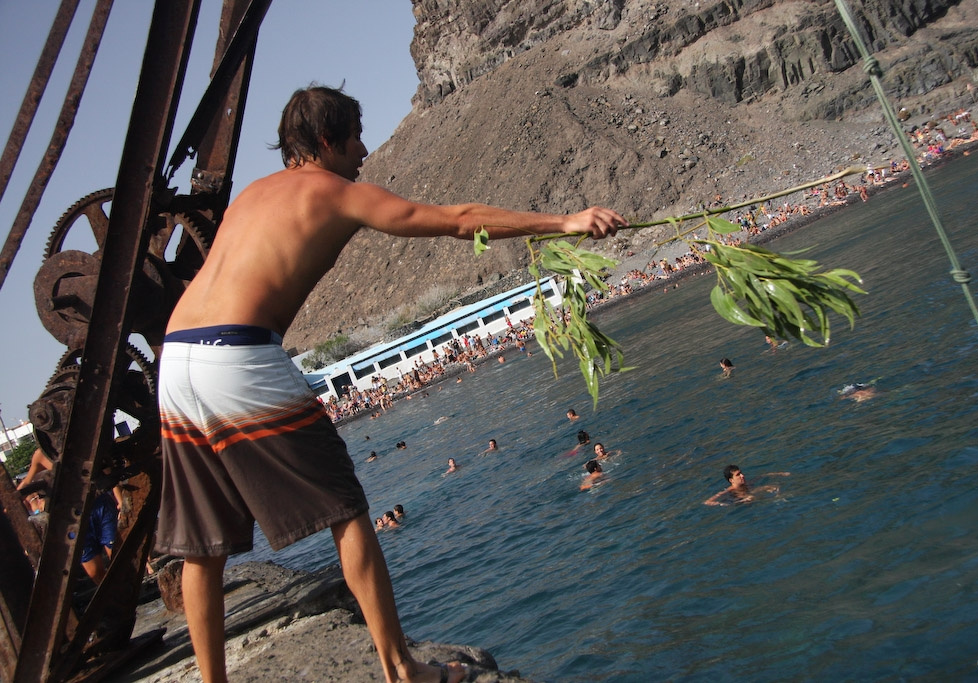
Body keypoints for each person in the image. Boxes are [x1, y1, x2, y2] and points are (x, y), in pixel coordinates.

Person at [152, 84, 626, 683]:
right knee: (347, 510)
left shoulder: (252, 195)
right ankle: (402, 670)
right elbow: (459, 221)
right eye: (355, 138)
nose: (364, 151)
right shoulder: (332, 192)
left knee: (202, 544)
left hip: (176, 360)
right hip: (239, 354)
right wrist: (566, 222)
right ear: (327, 141)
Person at [704, 465, 790, 506]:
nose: (742, 476)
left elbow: (763, 476)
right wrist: (722, 504)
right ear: (731, 480)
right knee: (750, 498)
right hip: (740, 500)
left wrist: (781, 474)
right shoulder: (729, 491)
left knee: (774, 487)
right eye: (738, 475)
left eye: (741, 473)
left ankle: (779, 500)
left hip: (751, 494)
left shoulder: (748, 483)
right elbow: (707, 502)